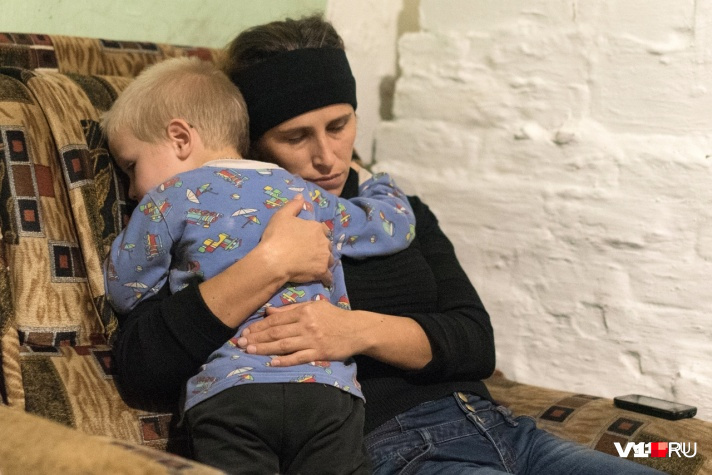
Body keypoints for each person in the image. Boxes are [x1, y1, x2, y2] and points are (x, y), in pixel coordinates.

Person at [111, 15, 663, 475]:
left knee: (663, 462)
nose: (327, 157)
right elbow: (141, 361)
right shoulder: (218, 224)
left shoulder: (397, 211)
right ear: (251, 144)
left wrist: (355, 331)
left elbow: (475, 342)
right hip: (393, 447)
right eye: (296, 136)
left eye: (339, 125)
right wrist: (270, 262)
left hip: (507, 430)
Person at [101, 56, 416, 474]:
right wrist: (377, 181)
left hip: (231, 392)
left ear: (180, 138)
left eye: (131, 166)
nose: (130, 189)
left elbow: (124, 288)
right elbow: (392, 226)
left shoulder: (168, 196)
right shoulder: (304, 194)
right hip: (326, 389)